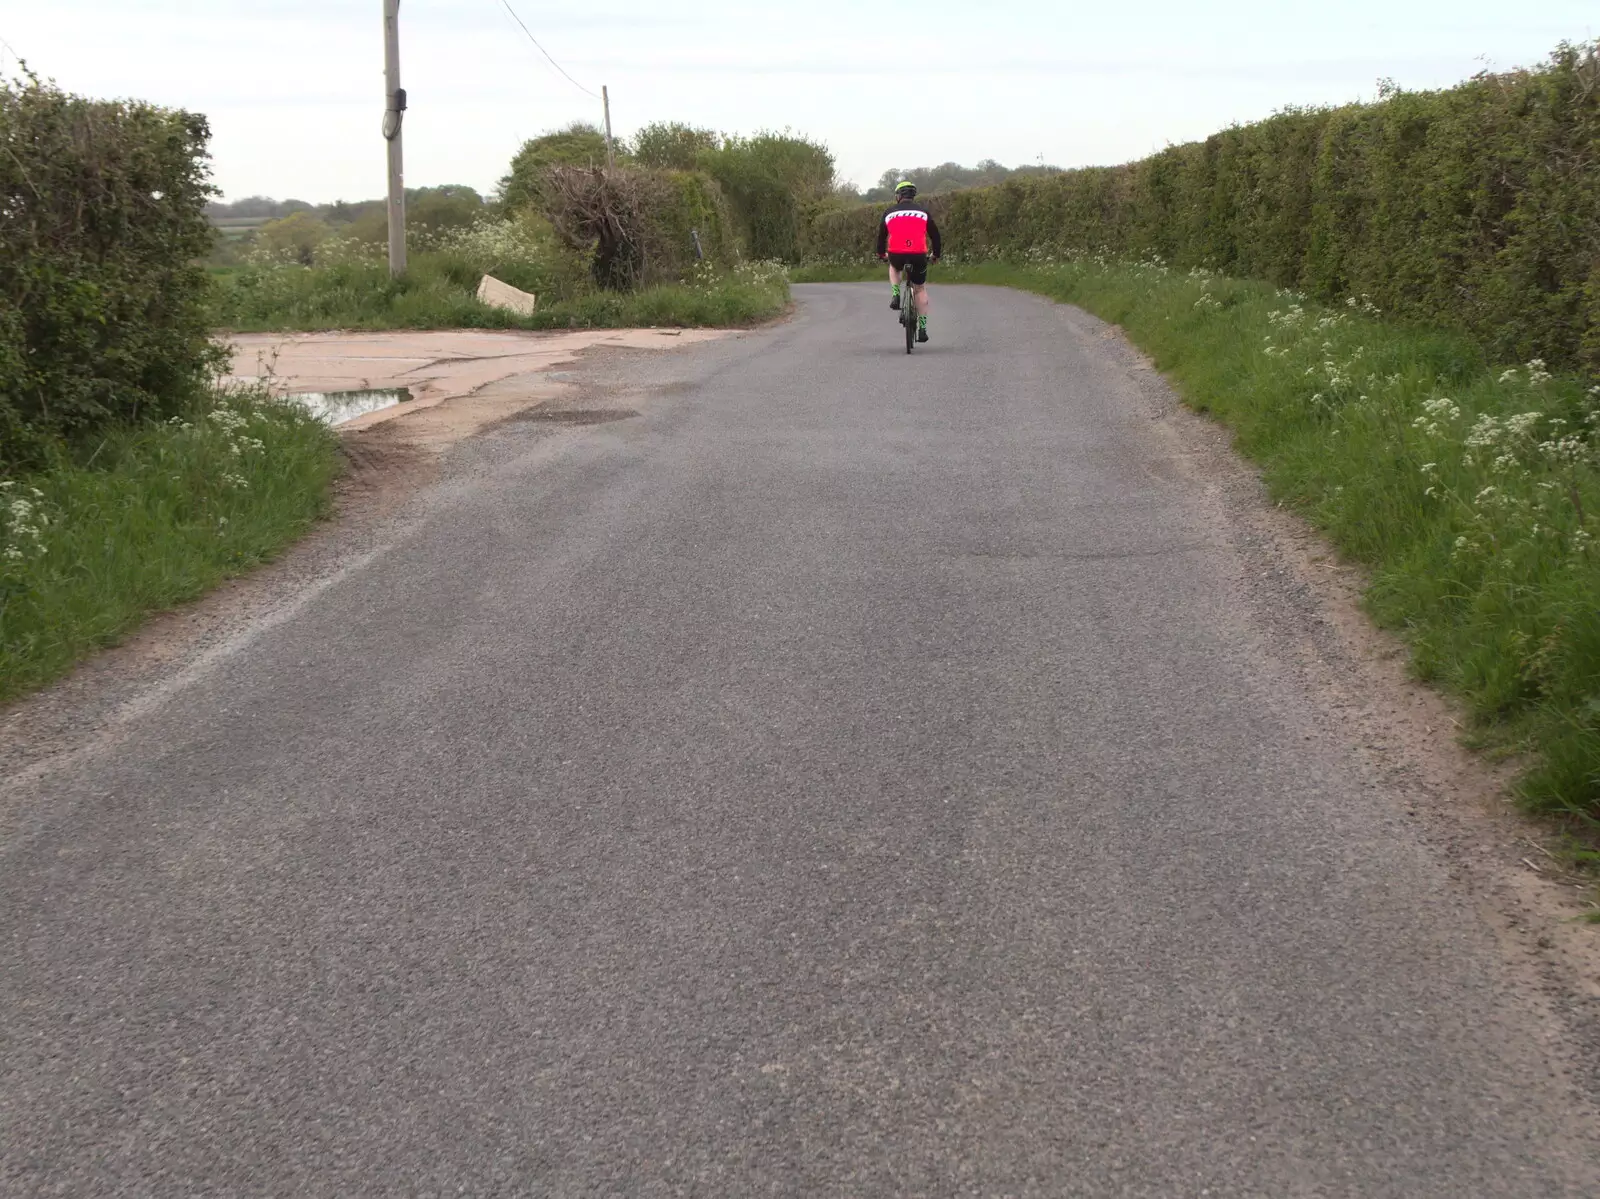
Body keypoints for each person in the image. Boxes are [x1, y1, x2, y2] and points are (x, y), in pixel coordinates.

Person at [876, 181, 942, 343]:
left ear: (898, 196)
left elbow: (881, 236)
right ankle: (923, 329)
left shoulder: (889, 212)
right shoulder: (923, 212)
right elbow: (935, 236)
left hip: (896, 253)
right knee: (919, 289)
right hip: (918, 254)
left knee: (894, 267)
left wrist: (881, 253)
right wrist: (936, 255)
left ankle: (896, 294)